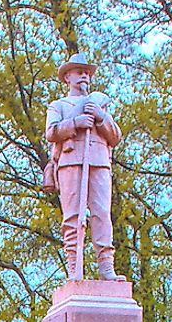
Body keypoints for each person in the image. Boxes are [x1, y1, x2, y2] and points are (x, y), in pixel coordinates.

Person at [42, 55, 122, 280]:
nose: (84, 75)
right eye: (78, 71)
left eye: (86, 72)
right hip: (70, 161)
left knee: (102, 214)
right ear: (67, 77)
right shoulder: (58, 105)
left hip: (99, 161)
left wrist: (100, 117)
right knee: (73, 217)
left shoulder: (99, 103)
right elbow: (51, 132)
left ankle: (106, 266)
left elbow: (115, 137)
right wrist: (75, 123)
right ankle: (74, 267)